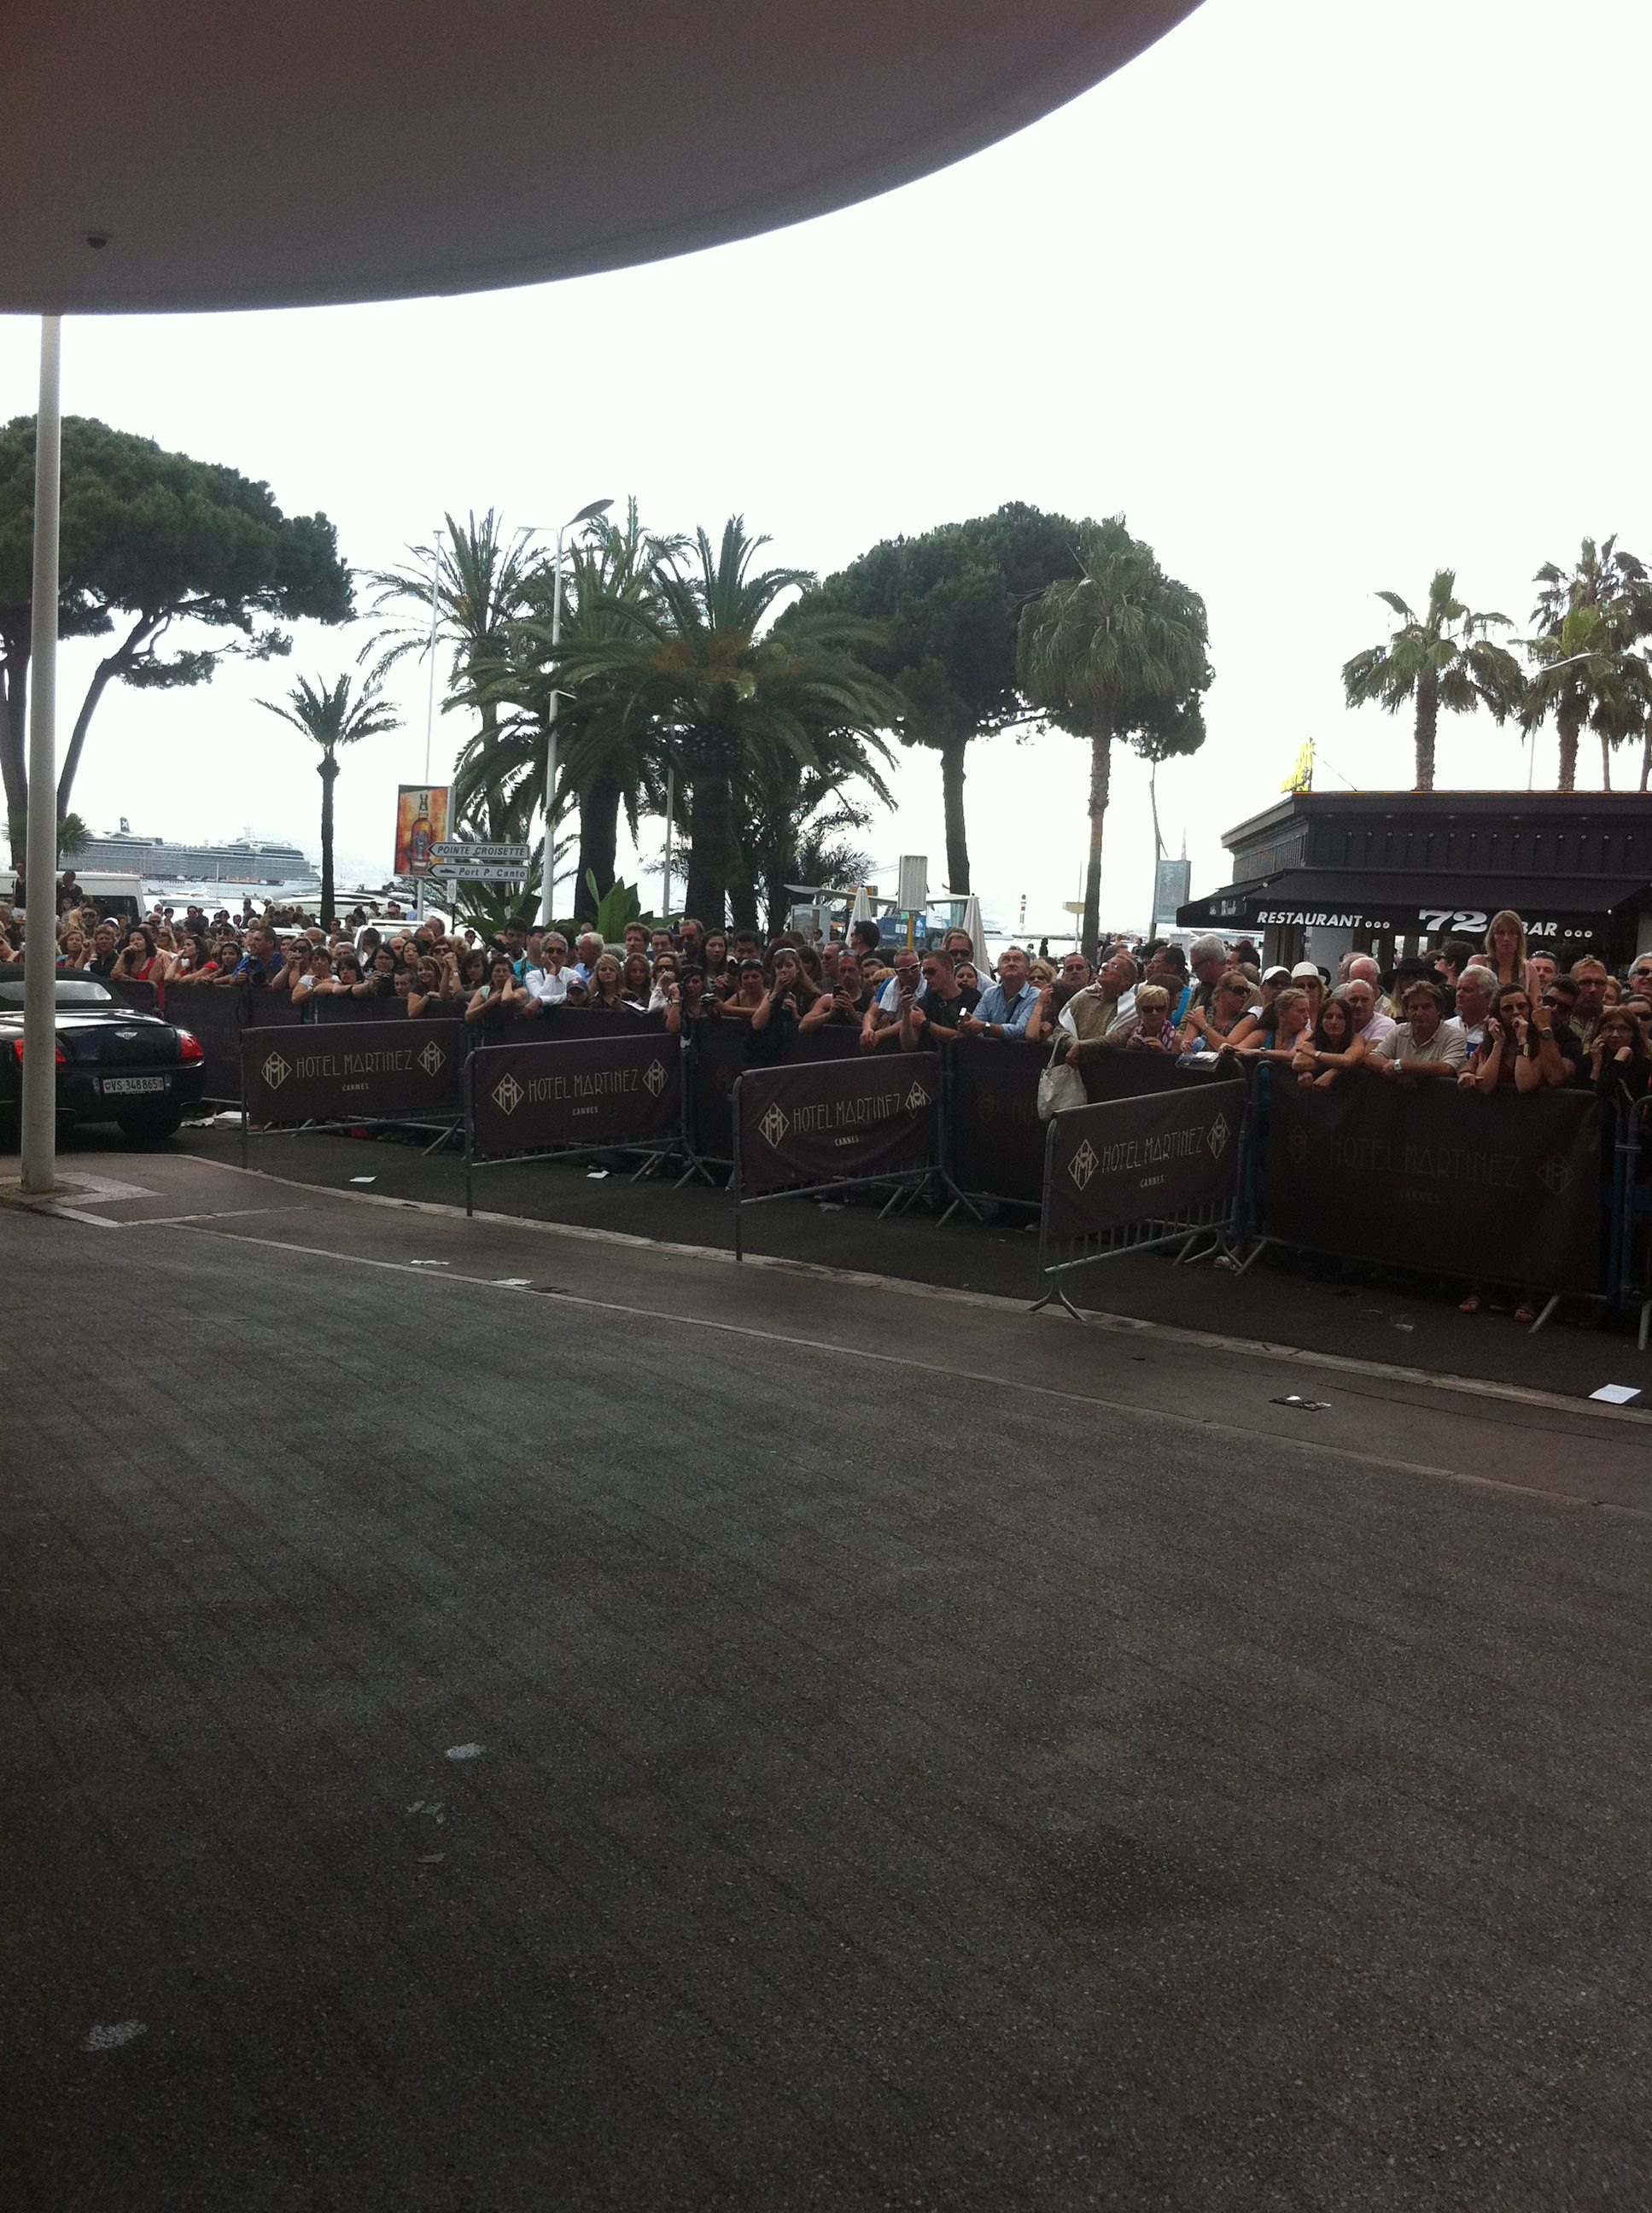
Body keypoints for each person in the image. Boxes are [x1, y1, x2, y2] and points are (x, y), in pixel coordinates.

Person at [1370, 978, 1466, 1083]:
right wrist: (1400, 1075)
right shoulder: (1399, 1031)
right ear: (1406, 1012)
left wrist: (1400, 1065)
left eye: (1426, 1007)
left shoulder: (1455, 1036)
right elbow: (1372, 1058)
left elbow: (1446, 1068)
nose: (1419, 1013)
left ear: (1438, 1010)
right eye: (1414, 1008)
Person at [896, 948, 979, 1049]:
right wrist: (906, 1013)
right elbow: (908, 1046)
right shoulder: (925, 1002)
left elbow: (964, 1039)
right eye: (924, 973)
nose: (926, 977)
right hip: (935, 1062)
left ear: (948, 969)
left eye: (931, 971)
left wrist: (926, 1024)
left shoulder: (972, 997)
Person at [749, 947, 817, 1061]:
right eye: (779, 967)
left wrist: (797, 1016)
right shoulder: (772, 993)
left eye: (789, 966)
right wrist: (775, 993)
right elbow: (757, 1024)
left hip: (800, 1053)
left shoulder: (811, 995)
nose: (783, 970)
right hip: (773, 1051)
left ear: (798, 969)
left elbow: (814, 1028)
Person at [958, 945, 1038, 1040]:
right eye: (1006, 961)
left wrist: (985, 1027)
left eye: (1017, 960)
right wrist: (968, 1025)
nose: (1011, 964)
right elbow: (977, 1022)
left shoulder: (1036, 996)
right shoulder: (990, 993)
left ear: (1028, 971)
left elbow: (1021, 1030)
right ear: (999, 971)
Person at [1292, 990, 1365, 1085]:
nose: (1334, 1022)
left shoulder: (1357, 1038)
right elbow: (1298, 1063)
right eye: (1329, 1017)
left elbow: (1348, 1060)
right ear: (1321, 1021)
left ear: (1347, 1022)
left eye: (1340, 1017)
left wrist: (1314, 1054)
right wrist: (1338, 1064)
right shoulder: (1313, 1041)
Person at [1110, 984, 1179, 1052]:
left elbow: (1176, 1063)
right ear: (1139, 1010)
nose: (1154, 1013)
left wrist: (1163, 1051)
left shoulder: (1175, 1038)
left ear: (1166, 1010)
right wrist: (1129, 1049)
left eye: (1160, 1008)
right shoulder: (1133, 1032)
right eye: (1148, 1009)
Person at [466, 955, 526, 1028]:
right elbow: (468, 1016)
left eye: (505, 971)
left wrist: (509, 982)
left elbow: (506, 999)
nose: (501, 974)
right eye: (497, 971)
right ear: (491, 974)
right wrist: (489, 1003)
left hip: (515, 1032)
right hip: (490, 1033)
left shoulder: (520, 990)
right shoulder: (485, 991)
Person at [1483, 909, 1528, 990]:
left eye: (1512, 933)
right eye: (1501, 933)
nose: (1506, 938)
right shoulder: (1479, 963)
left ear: (1519, 937)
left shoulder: (1528, 969)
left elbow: (1535, 1001)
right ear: (1492, 936)